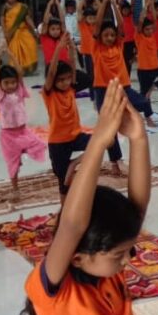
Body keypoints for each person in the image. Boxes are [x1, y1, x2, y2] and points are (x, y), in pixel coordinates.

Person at [21, 79, 149, 315]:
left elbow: (136, 208)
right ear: (77, 257)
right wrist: (97, 144)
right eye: (119, 254)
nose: (127, 261)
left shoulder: (107, 270)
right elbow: (72, 225)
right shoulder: (56, 292)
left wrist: (138, 139)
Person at [43, 35, 123, 196]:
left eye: (67, 79)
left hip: (76, 137)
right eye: (61, 80)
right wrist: (59, 48)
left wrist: (72, 49)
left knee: (109, 139)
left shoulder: (71, 89)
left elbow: (72, 66)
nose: (66, 82)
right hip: (58, 142)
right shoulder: (49, 93)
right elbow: (51, 73)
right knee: (64, 183)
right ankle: (65, 207)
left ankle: (76, 163)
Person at [0, 49, 47, 197]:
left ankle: (21, 152)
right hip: (8, 136)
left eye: (13, 82)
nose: (10, 85)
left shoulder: (19, 91)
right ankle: (15, 188)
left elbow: (19, 72)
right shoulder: (0, 94)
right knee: (13, 165)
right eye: (6, 83)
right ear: (0, 84)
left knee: (40, 144)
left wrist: (11, 55)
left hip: (23, 131)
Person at [1, 0, 39, 75]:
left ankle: (27, 69)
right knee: (14, 51)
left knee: (31, 44)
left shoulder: (23, 7)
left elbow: (28, 19)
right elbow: (2, 20)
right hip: (11, 33)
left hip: (23, 31)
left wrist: (34, 29)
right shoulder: (4, 7)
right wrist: (5, 32)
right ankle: (16, 69)